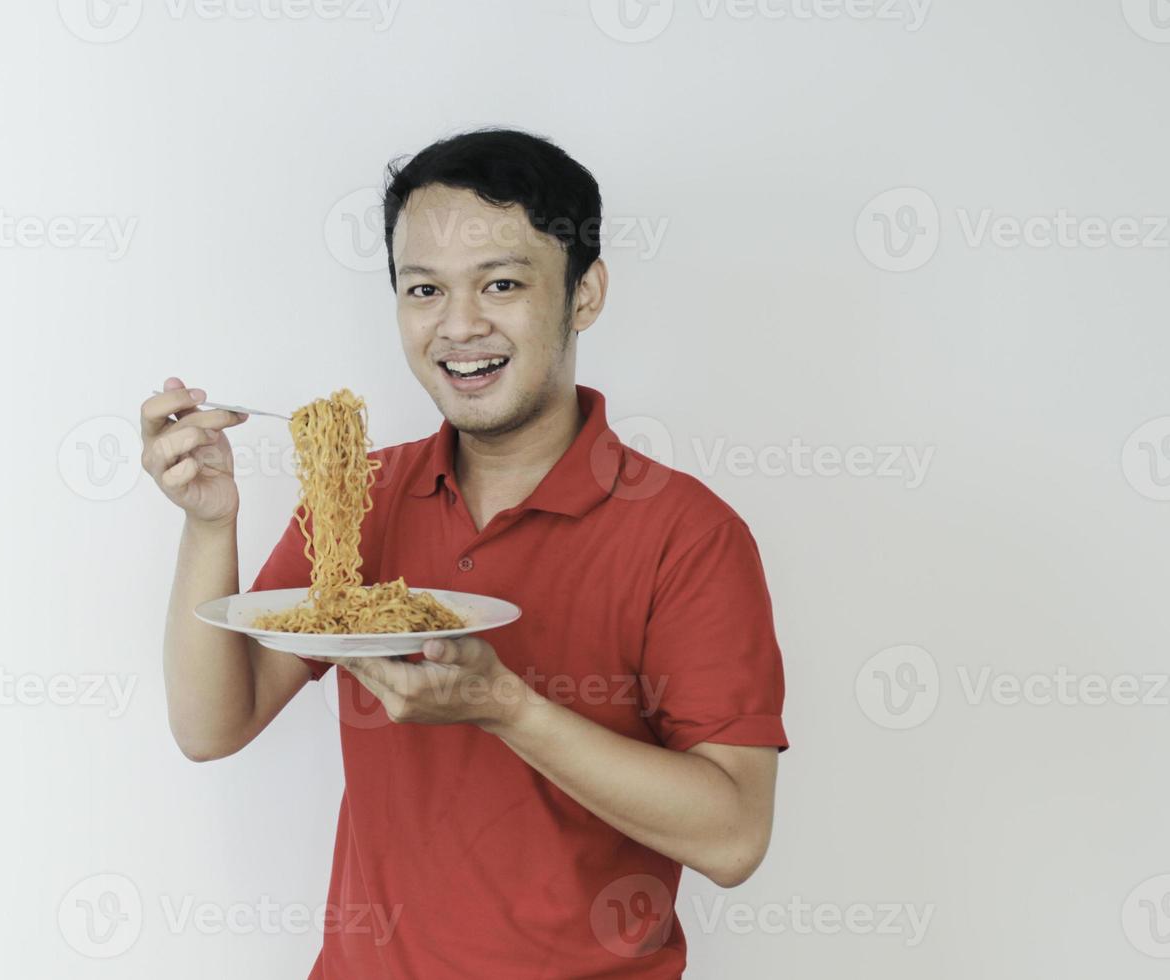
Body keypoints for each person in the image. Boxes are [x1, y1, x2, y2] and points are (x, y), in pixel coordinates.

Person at [139, 127, 788, 978]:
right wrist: (209, 523)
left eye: (504, 283)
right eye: (423, 289)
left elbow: (734, 835)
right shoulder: (364, 496)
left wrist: (506, 707)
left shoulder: (687, 535)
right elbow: (212, 724)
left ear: (584, 294)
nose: (459, 326)